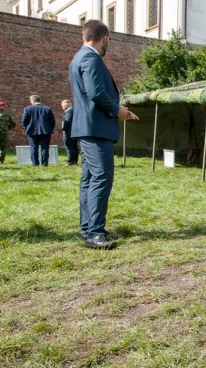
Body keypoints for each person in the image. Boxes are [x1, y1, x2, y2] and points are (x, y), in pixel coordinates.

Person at [69, 20, 140, 250]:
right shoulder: (91, 59)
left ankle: (89, 228)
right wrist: (118, 111)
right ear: (105, 39)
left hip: (87, 128)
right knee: (101, 178)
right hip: (96, 129)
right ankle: (95, 233)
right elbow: (96, 92)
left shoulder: (78, 58)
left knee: (89, 179)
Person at [21, 95, 56, 166]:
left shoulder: (27, 109)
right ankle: (44, 164)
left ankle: (35, 164)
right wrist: (50, 129)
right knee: (45, 148)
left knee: (33, 148)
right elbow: (52, 121)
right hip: (45, 131)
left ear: (32, 101)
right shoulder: (47, 109)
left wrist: (27, 128)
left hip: (32, 131)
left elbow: (24, 121)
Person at [61, 99, 79, 165]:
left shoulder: (69, 112)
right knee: (74, 147)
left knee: (69, 147)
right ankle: (75, 161)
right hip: (74, 132)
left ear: (65, 106)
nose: (62, 108)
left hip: (69, 132)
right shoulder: (75, 111)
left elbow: (67, 121)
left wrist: (64, 128)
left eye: (62, 106)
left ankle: (70, 162)